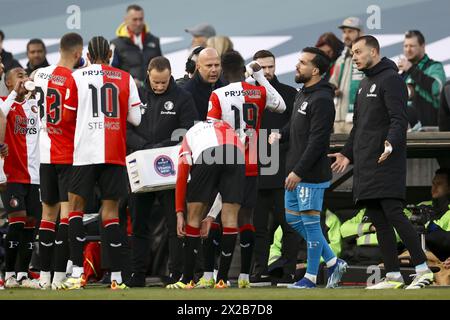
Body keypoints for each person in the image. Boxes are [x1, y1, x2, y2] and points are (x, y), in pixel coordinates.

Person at [329, 35, 434, 290]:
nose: (354, 56)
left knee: (394, 215)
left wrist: (390, 143)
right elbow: (359, 128)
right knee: (379, 220)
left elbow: (399, 119)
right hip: (366, 164)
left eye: (358, 52)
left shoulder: (392, 79)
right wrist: (346, 153)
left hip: (386, 161)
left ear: (374, 52)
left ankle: (423, 270)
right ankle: (394, 275)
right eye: (352, 52)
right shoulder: (365, 84)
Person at [62, 36, 141, 290]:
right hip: (114, 153)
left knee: (75, 208)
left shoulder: (75, 77)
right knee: (111, 212)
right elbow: (136, 119)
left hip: (83, 152)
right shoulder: (125, 77)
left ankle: (76, 273)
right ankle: (117, 277)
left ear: (87, 53)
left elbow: (66, 117)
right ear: (109, 54)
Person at [207, 50, 286, 288]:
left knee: (223, 217)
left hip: (227, 163)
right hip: (252, 162)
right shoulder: (258, 91)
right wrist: (260, 77)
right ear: (244, 70)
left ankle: (218, 277)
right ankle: (243, 277)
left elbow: (211, 130)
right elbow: (281, 106)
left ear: (222, 71)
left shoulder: (218, 94)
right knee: (246, 219)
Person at [269, 47, 347, 289]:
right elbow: (294, 126)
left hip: (309, 175)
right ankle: (333, 261)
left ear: (315, 70)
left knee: (312, 225)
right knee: (293, 220)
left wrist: (298, 171)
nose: (297, 66)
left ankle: (311, 278)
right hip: (295, 170)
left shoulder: (323, 99)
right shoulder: (303, 93)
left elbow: (317, 142)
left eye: (302, 62)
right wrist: (279, 135)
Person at [126, 56, 198, 287]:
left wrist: (162, 147)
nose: (159, 86)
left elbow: (189, 132)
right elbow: (125, 129)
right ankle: (137, 274)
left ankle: (176, 274)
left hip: (169, 169)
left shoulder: (183, 98)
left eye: (164, 82)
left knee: (174, 223)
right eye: (155, 82)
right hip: (140, 166)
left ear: (170, 76)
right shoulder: (136, 94)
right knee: (138, 223)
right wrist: (145, 147)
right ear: (148, 73)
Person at [166, 120, 245, 289]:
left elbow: (182, 176)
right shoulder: (227, 127)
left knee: (193, 218)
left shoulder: (190, 134)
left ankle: (187, 280)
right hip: (236, 154)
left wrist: (179, 212)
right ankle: (222, 280)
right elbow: (222, 192)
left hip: (207, 154)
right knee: (230, 219)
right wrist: (212, 215)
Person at [33, 32, 84, 290]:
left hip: (45, 155)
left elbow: (29, 82)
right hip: (66, 154)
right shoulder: (74, 80)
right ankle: (59, 277)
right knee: (66, 214)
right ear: (77, 53)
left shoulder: (41, 74)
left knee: (47, 215)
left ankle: (43, 276)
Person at [249, 50, 299, 286]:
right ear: (253, 69)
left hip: (282, 170)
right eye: (262, 68)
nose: (267, 72)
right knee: (259, 227)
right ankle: (258, 271)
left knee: (288, 225)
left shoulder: (290, 94)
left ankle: (288, 271)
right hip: (256, 171)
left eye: (270, 67)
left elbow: (297, 129)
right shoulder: (248, 95)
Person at [0, 68, 41, 289]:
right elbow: (2, 114)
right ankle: (7, 274)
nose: (23, 79)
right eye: (18, 76)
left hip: (34, 177)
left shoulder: (35, 107)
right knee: (17, 222)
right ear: (8, 83)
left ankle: (23, 274)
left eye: (25, 75)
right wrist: (15, 93)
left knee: (30, 226)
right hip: (12, 174)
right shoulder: (4, 104)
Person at [268, 209, 342, 283]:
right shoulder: (289, 218)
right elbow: (275, 248)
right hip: (286, 265)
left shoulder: (330, 219)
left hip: (313, 266)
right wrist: (281, 265)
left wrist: (305, 265)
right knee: (273, 273)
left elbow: (333, 251)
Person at [397, 30, 446, 129]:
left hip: (428, 124)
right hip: (405, 123)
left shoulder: (435, 67)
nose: (408, 49)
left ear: (422, 46)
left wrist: (411, 69)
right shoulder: (402, 72)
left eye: (412, 46)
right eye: (405, 46)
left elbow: (436, 89)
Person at [111, 4, 162, 92]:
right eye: (135, 19)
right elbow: (111, 73)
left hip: (153, 93)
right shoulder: (116, 44)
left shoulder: (154, 41)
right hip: (129, 93)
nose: (138, 23)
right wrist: (128, 82)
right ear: (126, 20)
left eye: (141, 19)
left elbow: (162, 67)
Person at [329, 17, 365, 134]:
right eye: (344, 32)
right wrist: (333, 90)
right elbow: (332, 84)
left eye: (350, 31)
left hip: (358, 119)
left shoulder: (366, 58)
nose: (346, 35)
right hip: (338, 120)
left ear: (360, 33)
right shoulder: (341, 59)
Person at [182, 47, 224, 120]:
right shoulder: (188, 92)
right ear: (198, 66)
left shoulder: (225, 85)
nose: (214, 70)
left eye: (217, 65)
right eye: (209, 66)